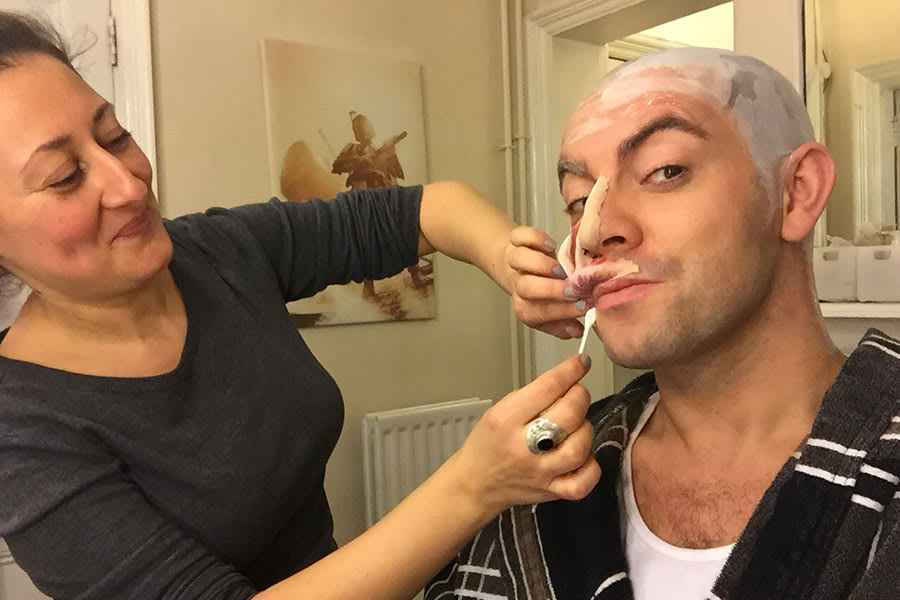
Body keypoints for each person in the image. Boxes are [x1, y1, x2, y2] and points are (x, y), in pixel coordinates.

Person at [0, 12, 596, 600]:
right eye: (63, 176)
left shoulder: (216, 252)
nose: (129, 185)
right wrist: (474, 487)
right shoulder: (20, 435)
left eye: (114, 137)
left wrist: (508, 260)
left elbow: (425, 209)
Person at [427, 48, 900, 600]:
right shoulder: (536, 482)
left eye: (665, 171)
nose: (595, 230)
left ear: (796, 191)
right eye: (578, 200)